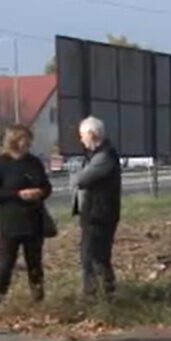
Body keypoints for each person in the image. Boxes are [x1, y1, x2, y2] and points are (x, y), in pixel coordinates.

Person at [0, 125, 52, 303]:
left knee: (35, 263)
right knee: (6, 262)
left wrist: (40, 192)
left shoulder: (34, 162)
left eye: (29, 139)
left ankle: (38, 298)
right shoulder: (0, 163)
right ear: (14, 140)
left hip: (33, 220)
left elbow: (47, 186)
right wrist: (17, 194)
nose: (28, 143)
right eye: (25, 139)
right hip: (9, 221)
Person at [72, 116, 122, 297]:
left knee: (94, 256)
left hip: (100, 214)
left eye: (83, 136)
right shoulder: (95, 155)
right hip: (94, 212)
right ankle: (103, 292)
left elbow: (80, 179)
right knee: (93, 255)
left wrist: (77, 176)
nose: (81, 140)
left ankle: (97, 294)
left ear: (92, 135)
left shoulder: (105, 157)